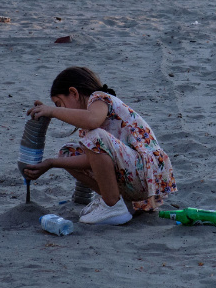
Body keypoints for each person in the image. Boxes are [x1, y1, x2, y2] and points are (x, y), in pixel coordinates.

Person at [22, 66, 176, 226]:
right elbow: (92, 161)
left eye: (60, 104)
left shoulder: (99, 98)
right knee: (67, 152)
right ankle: (120, 203)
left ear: (74, 93)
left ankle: (112, 205)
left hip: (149, 176)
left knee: (95, 137)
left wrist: (52, 111)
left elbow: (92, 120)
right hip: (136, 180)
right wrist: (52, 163)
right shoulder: (88, 129)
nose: (61, 111)